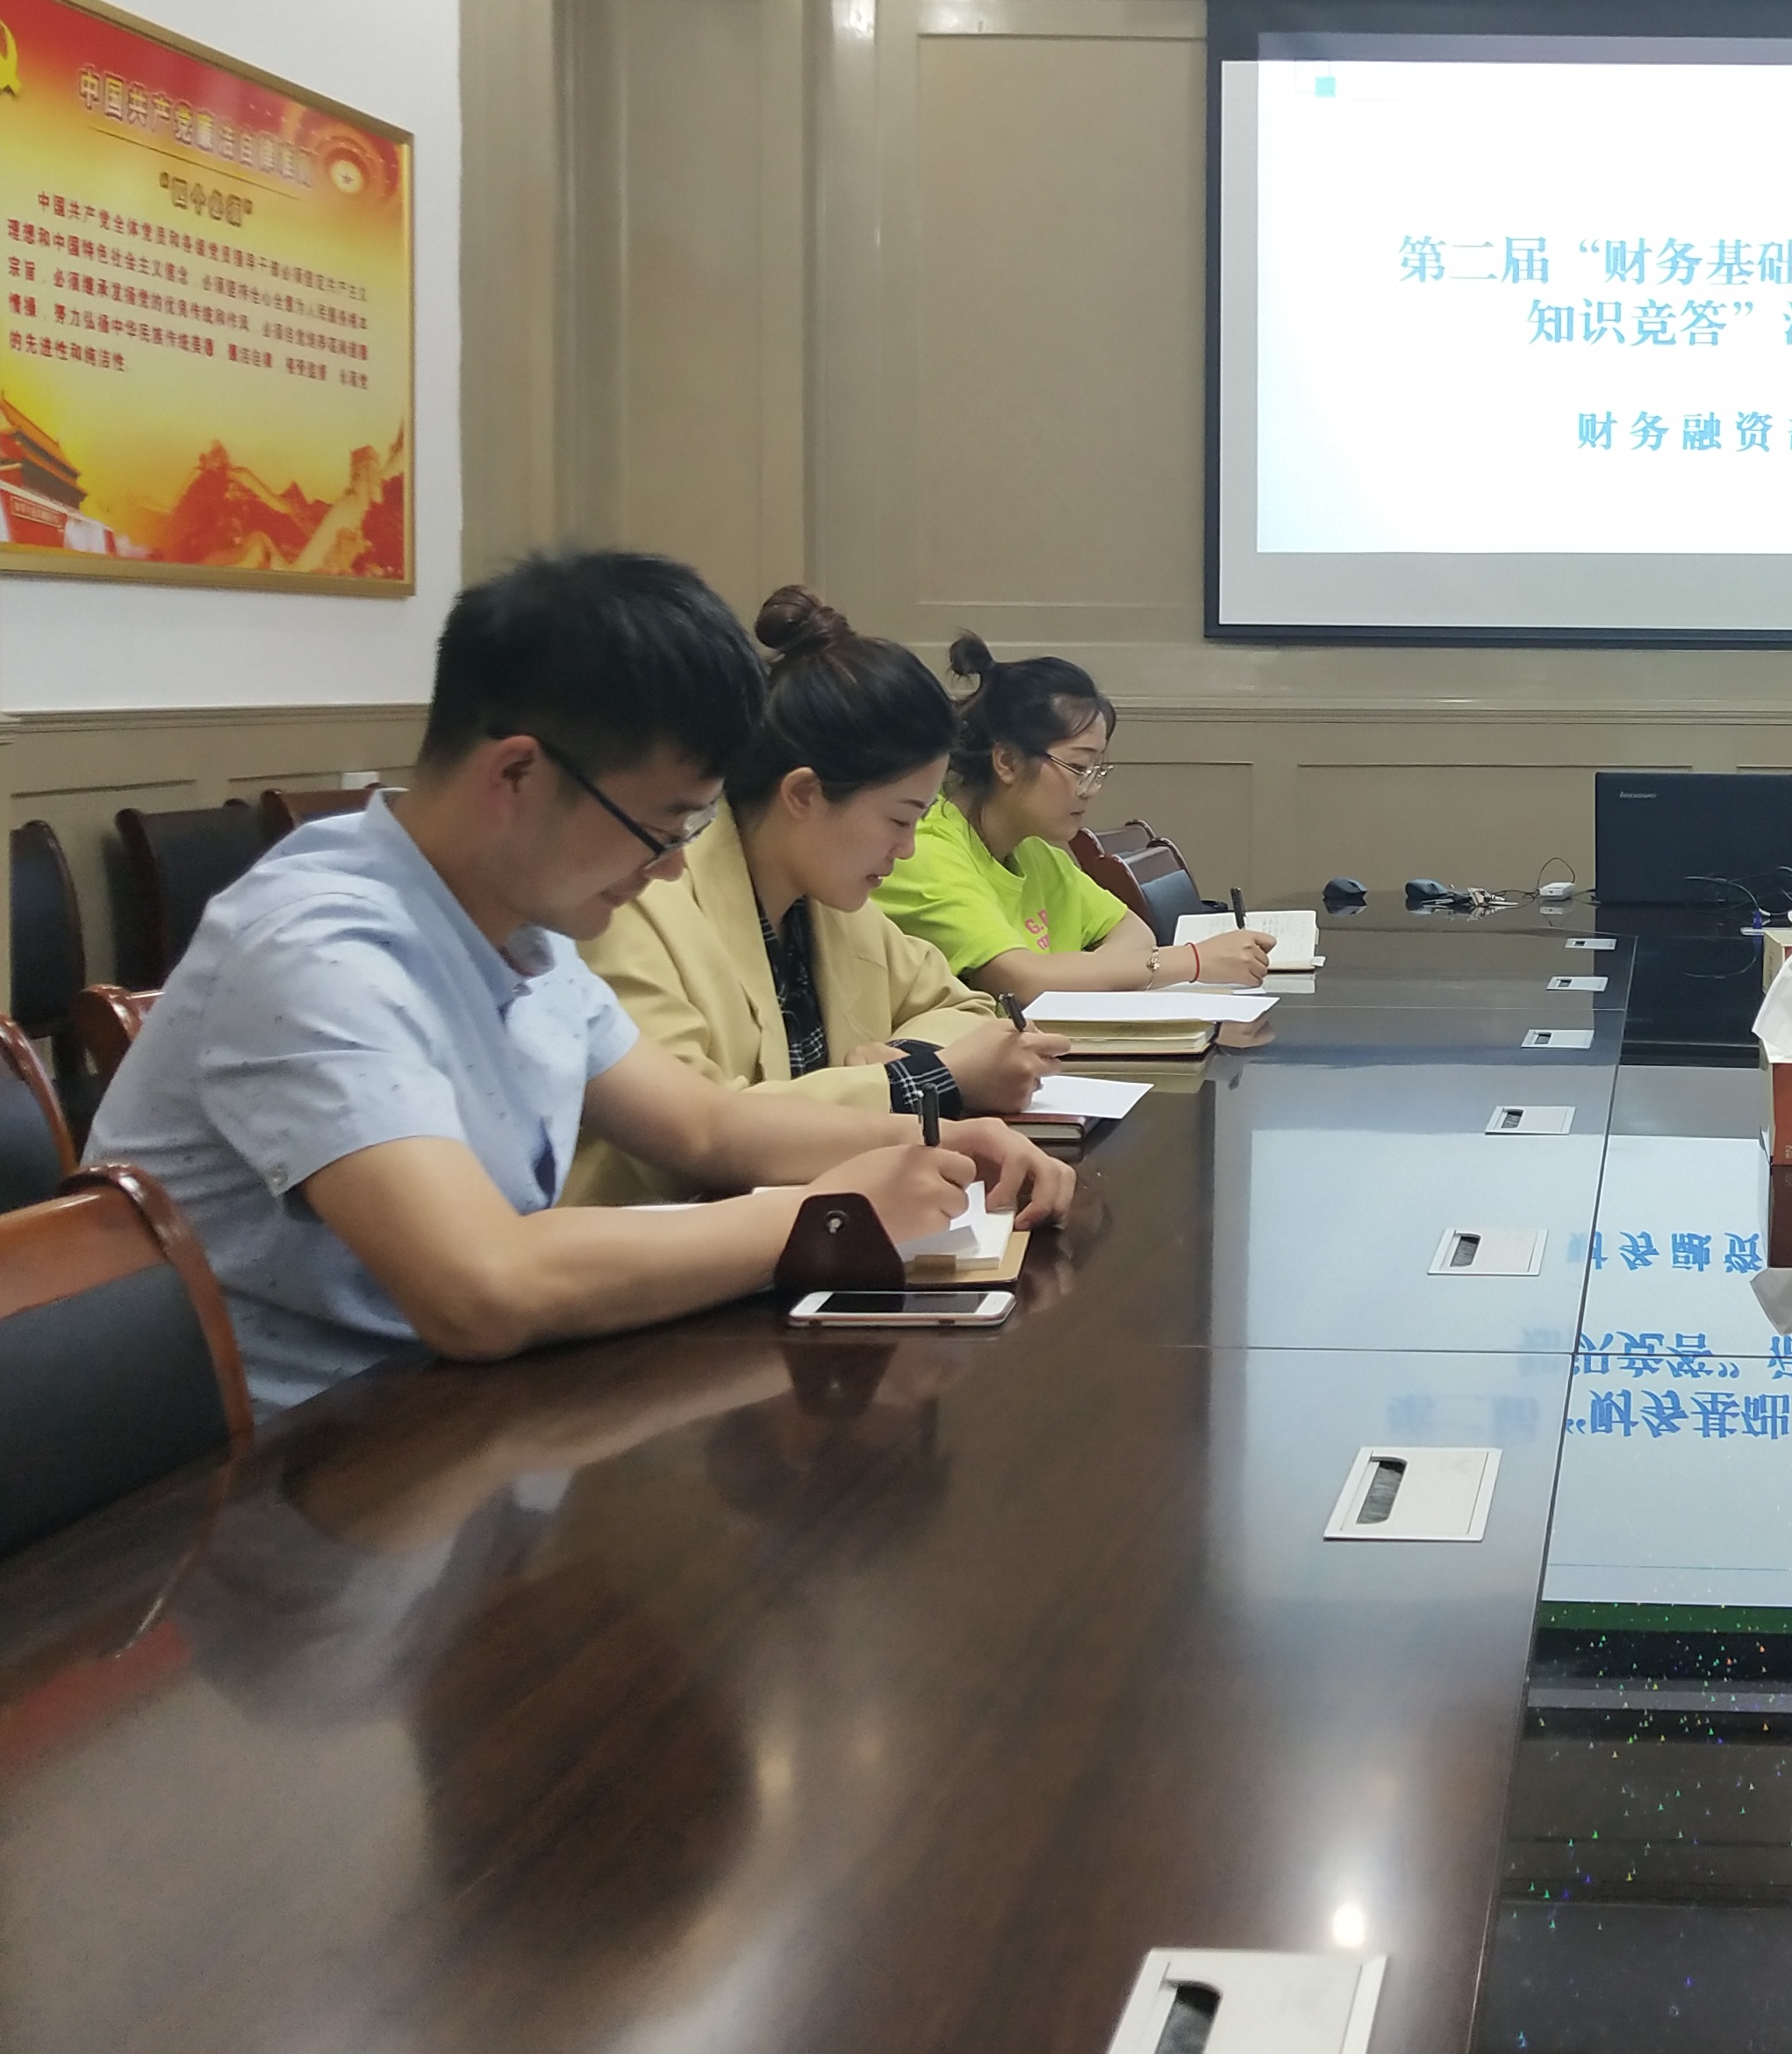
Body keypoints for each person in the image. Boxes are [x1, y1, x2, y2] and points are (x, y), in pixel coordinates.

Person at [87, 550, 1069, 1418]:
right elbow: (483, 1287)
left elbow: (704, 1126)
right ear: (517, 775)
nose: (674, 868)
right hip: (284, 1475)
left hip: (456, 1419)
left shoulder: (519, 927)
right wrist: (829, 1217)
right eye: (660, 827)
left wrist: (931, 1139)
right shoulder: (317, 950)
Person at [567, 588, 1075, 1206]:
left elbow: (964, 1008)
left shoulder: (829, 903)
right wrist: (919, 1080)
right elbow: (696, 1133)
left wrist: (904, 1057)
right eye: (899, 819)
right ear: (804, 794)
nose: (907, 849)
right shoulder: (639, 901)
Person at [874, 639, 1274, 1000]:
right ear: (1007, 761)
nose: (1090, 789)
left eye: (1097, 770)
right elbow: (1022, 979)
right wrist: (1191, 961)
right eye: (1079, 767)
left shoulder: (1032, 851)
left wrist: (1094, 973)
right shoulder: (925, 852)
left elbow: (1132, 930)